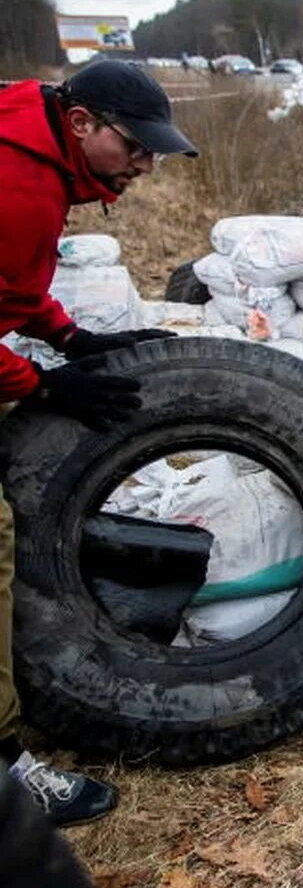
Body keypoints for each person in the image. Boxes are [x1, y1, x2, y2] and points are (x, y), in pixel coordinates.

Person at [0, 58, 196, 825]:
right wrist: (42, 385)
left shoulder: (29, 139)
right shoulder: (19, 184)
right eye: (136, 145)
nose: (146, 163)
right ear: (81, 123)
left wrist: (69, 336)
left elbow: (8, 288)